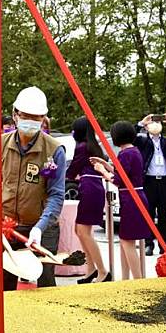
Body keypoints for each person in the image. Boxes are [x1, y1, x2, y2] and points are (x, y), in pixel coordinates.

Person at [1, 86, 66, 290]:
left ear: (43, 119)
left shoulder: (54, 150)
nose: (30, 121)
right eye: (25, 116)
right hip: (7, 227)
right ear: (15, 115)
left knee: (45, 283)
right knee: (4, 284)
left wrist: (40, 227)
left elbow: (56, 195)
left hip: (42, 228)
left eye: (36, 117)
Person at [91, 121, 152, 280]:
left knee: (127, 243)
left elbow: (118, 180)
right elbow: (125, 174)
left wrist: (102, 170)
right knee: (127, 241)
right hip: (135, 196)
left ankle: (138, 280)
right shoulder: (134, 151)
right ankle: (126, 279)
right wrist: (107, 164)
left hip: (131, 199)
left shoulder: (125, 154)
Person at [66, 117, 110, 283]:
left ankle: (102, 271)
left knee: (84, 232)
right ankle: (90, 269)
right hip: (92, 187)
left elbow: (72, 170)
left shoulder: (82, 147)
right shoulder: (92, 146)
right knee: (80, 231)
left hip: (90, 188)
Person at [134, 113, 166, 256]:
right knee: (148, 213)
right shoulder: (143, 142)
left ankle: (163, 244)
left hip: (165, 181)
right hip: (149, 181)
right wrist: (141, 123)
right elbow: (129, 137)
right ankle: (149, 244)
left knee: (164, 215)